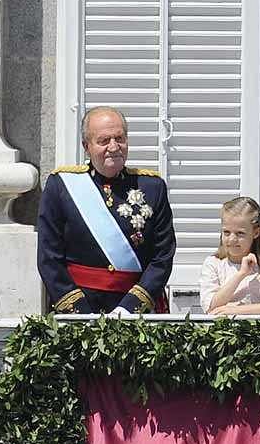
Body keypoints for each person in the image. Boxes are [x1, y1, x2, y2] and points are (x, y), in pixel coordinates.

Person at [37, 106, 176, 314]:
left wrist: (129, 309)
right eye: (104, 141)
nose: (114, 147)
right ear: (87, 146)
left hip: (135, 313)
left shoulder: (152, 187)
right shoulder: (61, 186)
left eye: (119, 138)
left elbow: (162, 256)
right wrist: (81, 313)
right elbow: (49, 257)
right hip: (79, 310)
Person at [199, 197, 260, 315]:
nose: (232, 239)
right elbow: (210, 306)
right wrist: (241, 274)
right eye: (226, 232)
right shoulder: (213, 264)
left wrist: (236, 311)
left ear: (256, 233)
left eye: (240, 233)